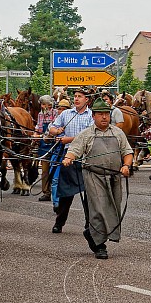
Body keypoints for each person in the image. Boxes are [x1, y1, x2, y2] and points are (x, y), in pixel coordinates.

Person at [61, 99, 133, 259]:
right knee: (98, 208)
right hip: (93, 176)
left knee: (113, 207)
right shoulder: (87, 134)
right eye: (100, 114)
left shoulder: (118, 133)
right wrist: (69, 158)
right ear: (93, 116)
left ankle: (91, 233)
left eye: (106, 114)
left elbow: (127, 152)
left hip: (114, 177)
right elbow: (74, 149)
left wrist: (126, 166)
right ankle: (99, 244)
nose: (104, 117)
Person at [47, 89, 94, 233]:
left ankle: (89, 224)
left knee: (89, 195)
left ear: (87, 100)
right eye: (75, 96)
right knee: (65, 193)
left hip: (86, 156)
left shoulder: (92, 116)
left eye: (80, 96)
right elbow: (51, 127)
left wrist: (68, 139)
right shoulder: (66, 114)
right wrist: (55, 131)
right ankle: (59, 223)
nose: (77, 99)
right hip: (68, 156)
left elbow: (90, 136)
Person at [34, 95, 59, 202]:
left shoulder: (56, 113)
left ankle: (57, 193)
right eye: (41, 104)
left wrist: (47, 135)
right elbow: (39, 127)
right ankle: (46, 192)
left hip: (55, 145)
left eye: (44, 104)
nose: (42, 106)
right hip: (43, 146)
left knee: (55, 170)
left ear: (50, 105)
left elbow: (55, 127)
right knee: (44, 171)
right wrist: (35, 134)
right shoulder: (40, 114)